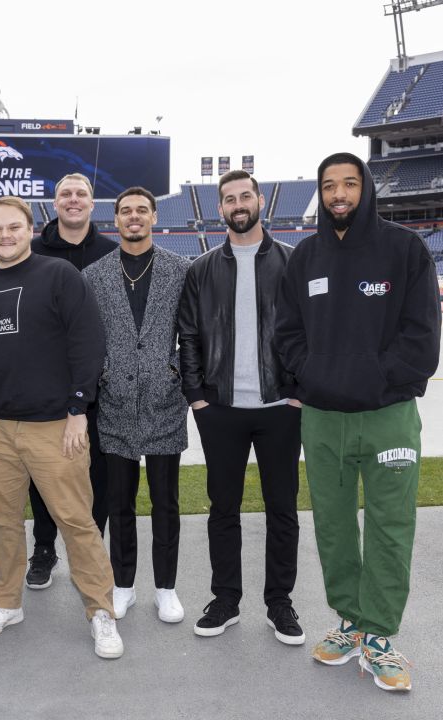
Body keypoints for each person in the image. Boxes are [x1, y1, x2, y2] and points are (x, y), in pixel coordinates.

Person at [274, 153, 441, 692]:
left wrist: (373, 381)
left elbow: (421, 338)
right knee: (334, 525)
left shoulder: (405, 250)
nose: (339, 194)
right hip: (323, 419)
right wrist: (314, 377)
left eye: (349, 184)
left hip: (388, 416)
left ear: (365, 189)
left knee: (392, 527)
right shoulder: (305, 257)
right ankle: (350, 620)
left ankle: (381, 636)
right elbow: (287, 333)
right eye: (329, 186)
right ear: (321, 195)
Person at [0, 196, 123, 660]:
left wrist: (76, 410)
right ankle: (6, 602)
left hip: (53, 426)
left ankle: (100, 611)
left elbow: (88, 343)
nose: (5, 235)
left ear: (30, 229)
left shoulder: (58, 276)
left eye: (14, 226)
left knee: (76, 520)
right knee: (3, 520)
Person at [177, 169, 304, 645]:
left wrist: (299, 394)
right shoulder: (202, 269)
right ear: (220, 208)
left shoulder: (293, 262)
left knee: (282, 509)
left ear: (260, 201)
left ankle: (280, 603)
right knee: (222, 508)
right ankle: (226, 599)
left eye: (244, 195)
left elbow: (309, 333)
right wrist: (197, 398)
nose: (237, 204)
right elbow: (188, 336)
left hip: (280, 407)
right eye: (228, 198)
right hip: (221, 409)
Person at [83, 187, 190, 623]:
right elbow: (87, 337)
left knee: (166, 503)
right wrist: (104, 372)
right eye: (126, 211)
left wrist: (175, 373)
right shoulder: (94, 274)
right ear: (115, 218)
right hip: (115, 404)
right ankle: (122, 584)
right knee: (119, 502)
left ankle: (166, 587)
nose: (133, 217)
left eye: (141, 211)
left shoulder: (180, 269)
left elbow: (194, 333)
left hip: (165, 403)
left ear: (153, 216)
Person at [24, 172, 117, 590]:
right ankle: (43, 547)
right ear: (54, 202)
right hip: (45, 385)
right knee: (42, 474)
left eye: (81, 194)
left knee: (98, 474)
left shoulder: (111, 253)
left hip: (102, 387)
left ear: (92, 203)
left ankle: (89, 548)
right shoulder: (32, 251)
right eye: (66, 194)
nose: (74, 200)